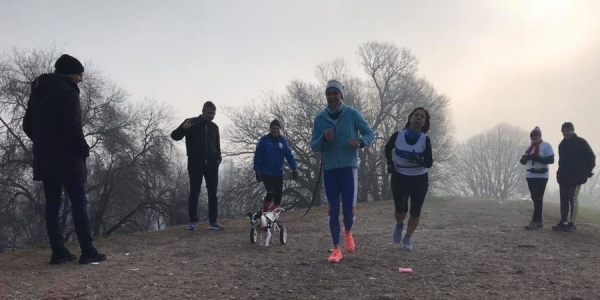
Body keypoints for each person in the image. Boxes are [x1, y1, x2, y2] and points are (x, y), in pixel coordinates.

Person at [22, 54, 106, 265]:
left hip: (46, 157)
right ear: (70, 74)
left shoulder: (38, 91)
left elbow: (26, 125)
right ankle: (87, 251)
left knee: (52, 204)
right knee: (79, 201)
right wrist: (83, 149)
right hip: (69, 157)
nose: (81, 79)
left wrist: (43, 142)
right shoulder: (68, 92)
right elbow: (73, 126)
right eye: (79, 74)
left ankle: (58, 251)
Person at [310, 80, 375, 263]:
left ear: (341, 95)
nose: (332, 96)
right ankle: (336, 249)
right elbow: (313, 145)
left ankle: (348, 231)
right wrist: (323, 138)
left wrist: (360, 142)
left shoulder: (352, 114)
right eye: (329, 93)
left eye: (335, 93)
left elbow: (370, 133)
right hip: (330, 170)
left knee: (348, 210)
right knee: (332, 210)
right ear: (326, 96)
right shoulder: (320, 119)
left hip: (349, 168)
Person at [384, 107, 433, 251]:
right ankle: (399, 224)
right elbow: (388, 148)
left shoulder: (425, 140)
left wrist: (418, 159)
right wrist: (390, 164)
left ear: (424, 123)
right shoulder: (398, 135)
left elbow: (429, 163)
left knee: (415, 211)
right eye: (416, 115)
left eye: (422, 117)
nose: (419, 117)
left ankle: (408, 238)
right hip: (399, 175)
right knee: (400, 210)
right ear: (410, 118)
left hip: (419, 178)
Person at [171, 101, 224, 231]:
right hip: (195, 163)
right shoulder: (191, 123)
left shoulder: (214, 127)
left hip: (212, 164)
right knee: (195, 191)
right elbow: (174, 136)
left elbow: (217, 145)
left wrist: (218, 159)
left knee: (213, 193)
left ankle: (213, 222)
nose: (212, 115)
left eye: (214, 113)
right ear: (203, 111)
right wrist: (183, 128)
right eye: (209, 113)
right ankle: (193, 222)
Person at [552, 122, 596, 232]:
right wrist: (559, 173)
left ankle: (572, 223)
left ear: (573, 130)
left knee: (573, 198)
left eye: (568, 130)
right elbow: (561, 161)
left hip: (577, 177)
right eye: (564, 131)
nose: (566, 133)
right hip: (564, 176)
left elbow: (591, 157)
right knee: (563, 199)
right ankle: (563, 221)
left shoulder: (581, 142)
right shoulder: (562, 145)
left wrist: (587, 171)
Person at [253, 119, 299, 212]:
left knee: (278, 196)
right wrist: (257, 171)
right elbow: (257, 157)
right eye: (273, 128)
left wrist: (294, 169)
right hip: (266, 172)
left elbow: (289, 156)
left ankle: (275, 217)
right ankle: (265, 212)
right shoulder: (263, 141)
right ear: (270, 129)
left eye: (277, 128)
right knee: (270, 193)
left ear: (279, 129)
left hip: (278, 172)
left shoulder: (283, 141)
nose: (275, 130)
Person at [519, 126, 554, 230]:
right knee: (535, 198)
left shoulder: (546, 146)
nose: (534, 137)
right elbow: (523, 160)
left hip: (542, 175)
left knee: (538, 198)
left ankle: (535, 221)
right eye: (532, 136)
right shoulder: (529, 147)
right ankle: (538, 221)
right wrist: (524, 159)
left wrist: (537, 158)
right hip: (530, 175)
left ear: (540, 136)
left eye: (536, 135)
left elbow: (551, 160)